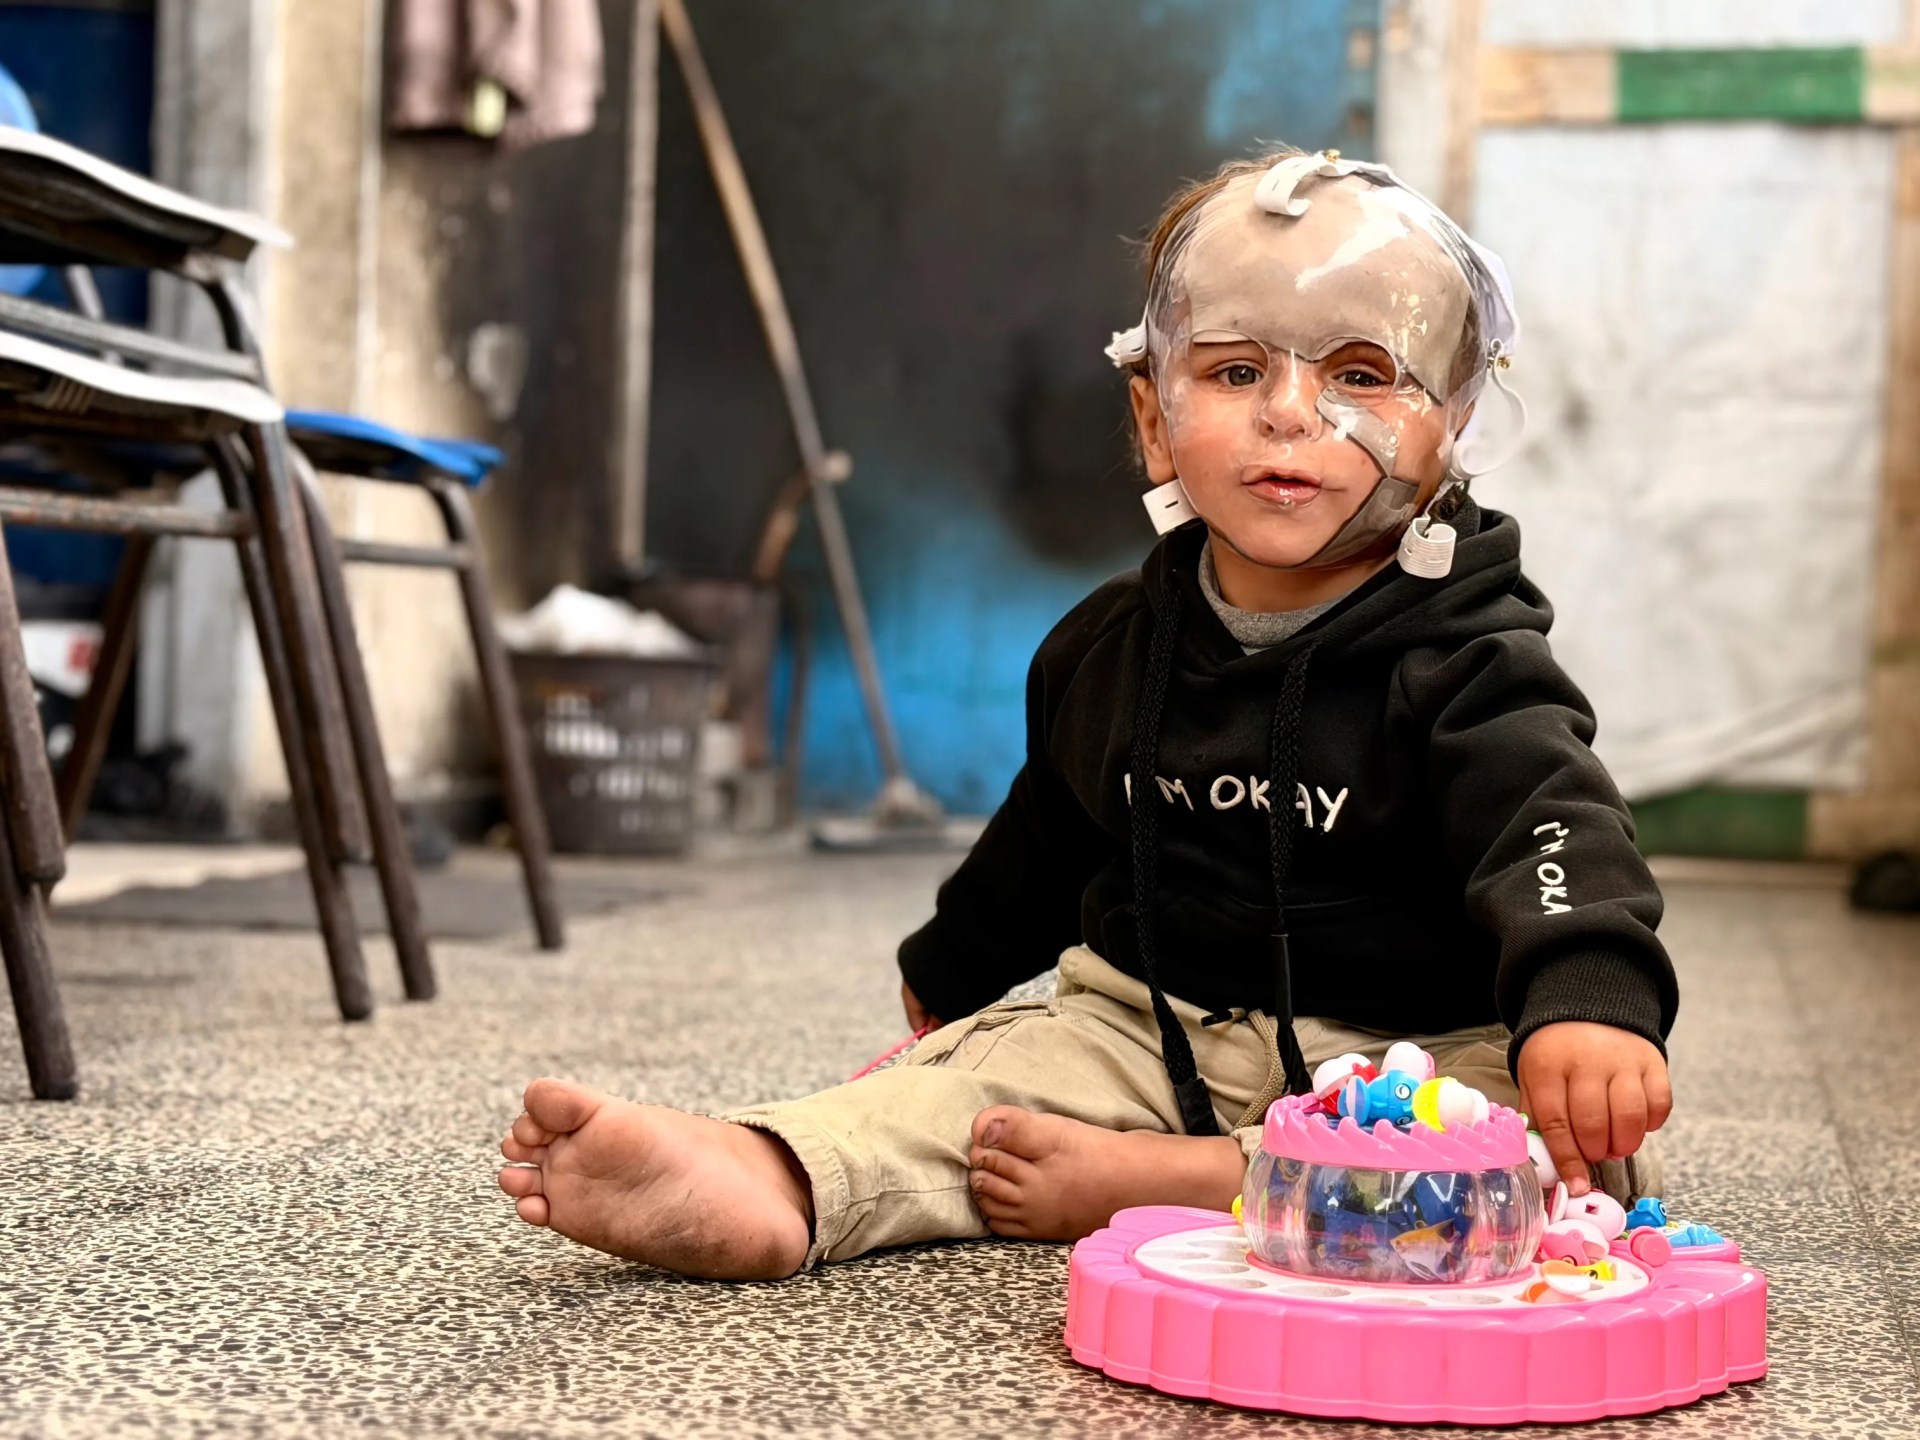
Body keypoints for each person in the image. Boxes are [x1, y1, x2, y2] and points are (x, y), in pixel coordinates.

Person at [496, 146, 1677, 1281]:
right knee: (960, 1090)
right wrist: (954, 964)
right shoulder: (1110, 646)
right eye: (1234, 372)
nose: (1291, 413)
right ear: (1155, 418)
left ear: (1450, 422)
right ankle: (782, 1174)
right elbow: (1053, 829)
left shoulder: (1474, 661)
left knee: (1549, 1154)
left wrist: (1585, 1001)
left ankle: (1186, 1181)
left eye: (1362, 375)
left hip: (1405, 1059)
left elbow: (1554, 831)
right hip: (1145, 1037)